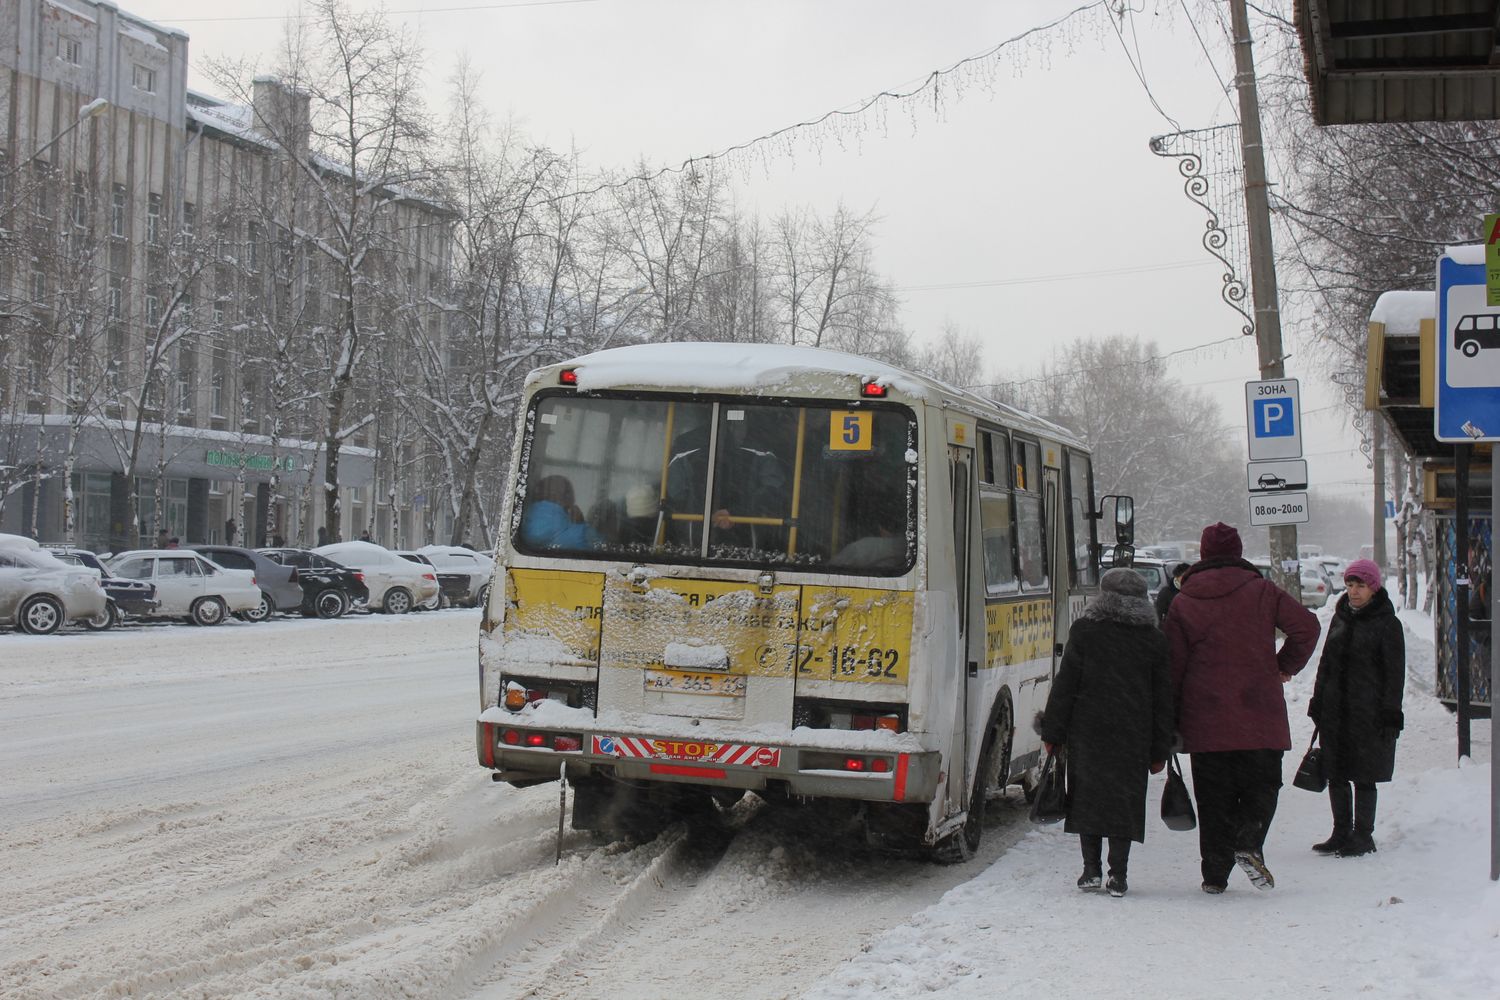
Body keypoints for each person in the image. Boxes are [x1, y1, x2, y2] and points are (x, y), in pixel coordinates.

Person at [1164, 522, 1320, 894]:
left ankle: (1214, 876)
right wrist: (1283, 665)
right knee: (1262, 785)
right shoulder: (1262, 591)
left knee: (1213, 796)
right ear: (1237, 552)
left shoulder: (1183, 602)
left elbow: (1172, 666)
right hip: (1258, 713)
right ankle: (1249, 841)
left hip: (1205, 719)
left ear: (1202, 554)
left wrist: (1169, 717)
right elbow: (1307, 628)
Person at [1040, 568, 1173, 898]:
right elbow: (1162, 699)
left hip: (1089, 729)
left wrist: (1053, 731)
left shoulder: (1086, 631)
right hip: (1133, 733)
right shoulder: (1154, 640)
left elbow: (1066, 685)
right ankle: (1119, 874)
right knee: (1124, 802)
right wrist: (1160, 749)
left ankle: (1090, 870)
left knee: (1087, 797)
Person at [1307, 559, 1405, 858]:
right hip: (1336, 709)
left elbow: (1394, 674)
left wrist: (1390, 713)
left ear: (1373, 587)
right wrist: (1318, 700)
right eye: (1350, 585)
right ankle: (1341, 831)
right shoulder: (1340, 618)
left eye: (1360, 585)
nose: (1354, 591)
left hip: (1369, 711)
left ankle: (1363, 835)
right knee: (1335, 771)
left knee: (1364, 773)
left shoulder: (1387, 623)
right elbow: (1326, 663)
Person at [520, 474, 600, 550]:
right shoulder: (582, 533)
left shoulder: (522, 520)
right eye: (569, 492)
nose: (574, 499)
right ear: (567, 497)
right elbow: (602, 546)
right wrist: (581, 524)